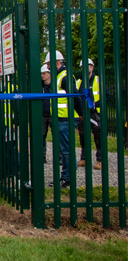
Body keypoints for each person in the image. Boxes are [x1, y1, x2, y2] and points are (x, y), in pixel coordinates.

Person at [44, 51, 83, 188]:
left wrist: (81, 113)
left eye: (49, 64)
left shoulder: (65, 77)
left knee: (66, 150)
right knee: (63, 149)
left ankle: (69, 179)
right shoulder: (58, 76)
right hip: (60, 118)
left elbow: (75, 96)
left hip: (66, 118)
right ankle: (65, 177)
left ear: (57, 62)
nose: (47, 68)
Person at [76, 58, 109, 170]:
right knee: (83, 136)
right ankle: (84, 158)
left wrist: (96, 104)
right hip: (83, 114)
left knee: (98, 137)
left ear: (92, 67)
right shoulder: (78, 82)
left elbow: (107, 96)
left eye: (88, 66)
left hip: (96, 113)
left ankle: (100, 160)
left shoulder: (98, 80)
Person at [41, 65, 52, 164]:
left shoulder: (54, 85)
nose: (42, 75)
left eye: (44, 73)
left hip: (53, 114)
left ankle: (59, 157)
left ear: (49, 74)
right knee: (42, 135)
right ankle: (42, 155)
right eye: (41, 74)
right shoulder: (40, 86)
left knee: (56, 135)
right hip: (43, 114)